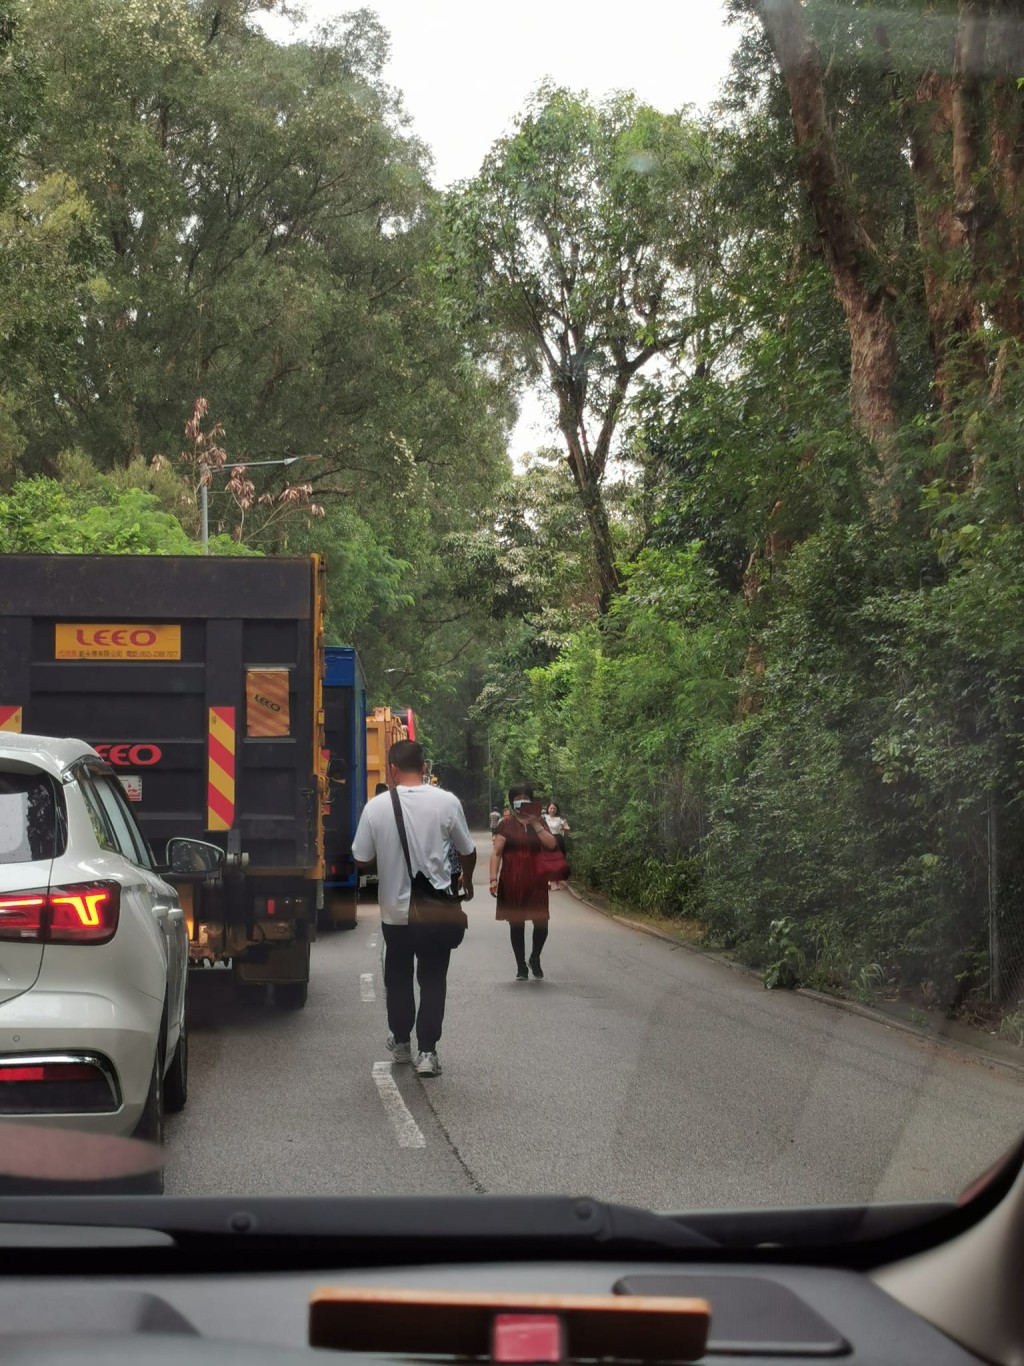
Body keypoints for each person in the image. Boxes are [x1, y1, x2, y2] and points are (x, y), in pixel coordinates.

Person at [352, 739, 476, 1077]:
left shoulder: (375, 807)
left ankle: (402, 1045)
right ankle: (428, 1053)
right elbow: (467, 849)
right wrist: (466, 880)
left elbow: (360, 858)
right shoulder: (447, 802)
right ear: (424, 767)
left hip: (395, 913)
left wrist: (386, 852)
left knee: (399, 977)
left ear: (391, 769)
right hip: (436, 909)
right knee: (433, 978)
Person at [489, 783, 559, 981]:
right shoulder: (506, 824)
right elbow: (496, 852)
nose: (522, 800)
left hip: (536, 880)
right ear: (512, 802)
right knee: (516, 924)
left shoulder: (540, 823)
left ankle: (535, 958)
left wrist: (535, 824)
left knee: (542, 923)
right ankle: (521, 966)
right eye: (518, 797)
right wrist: (493, 878)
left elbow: (552, 844)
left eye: (525, 796)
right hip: (513, 880)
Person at [542, 802, 570, 890]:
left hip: (557, 840)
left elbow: (567, 828)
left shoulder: (560, 819)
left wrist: (563, 827)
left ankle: (555, 882)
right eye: (551, 808)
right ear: (548, 809)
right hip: (546, 839)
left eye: (554, 808)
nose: (552, 810)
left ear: (556, 809)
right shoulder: (544, 818)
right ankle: (546, 881)